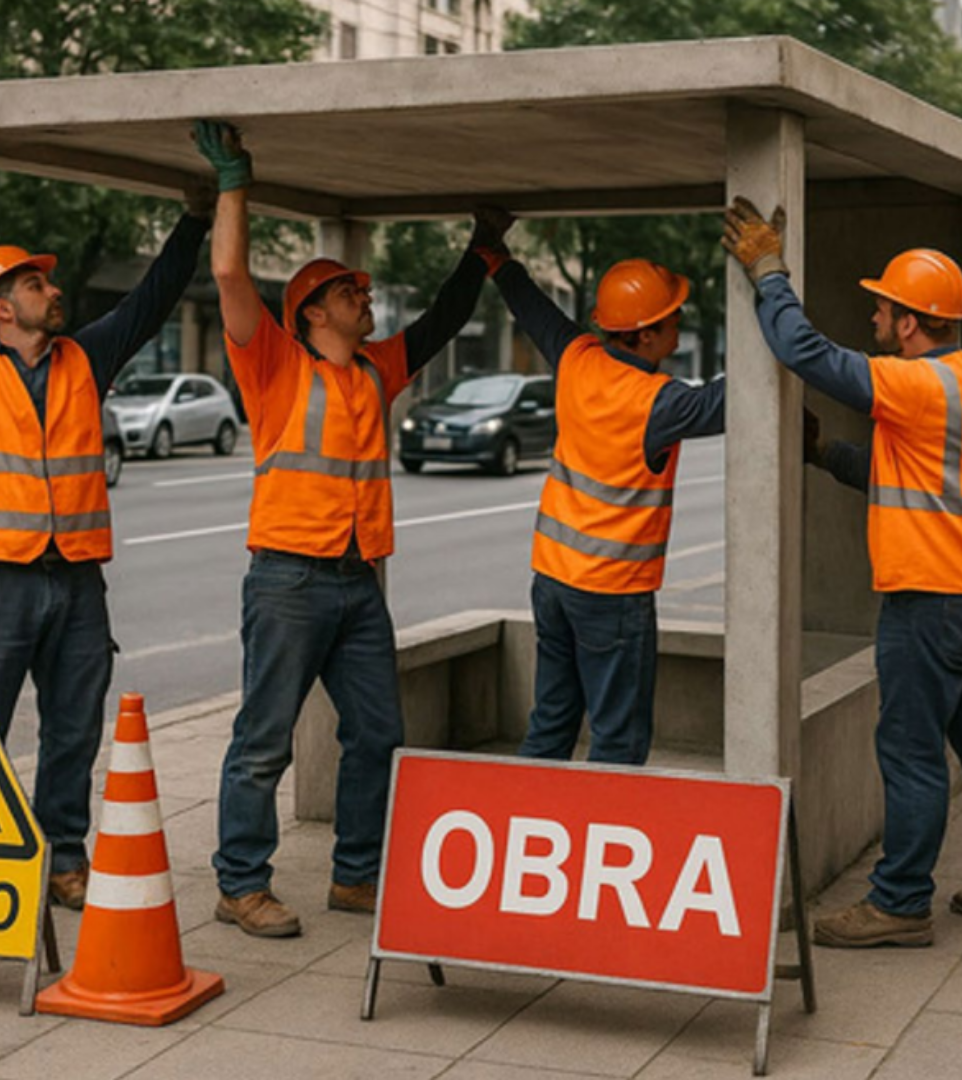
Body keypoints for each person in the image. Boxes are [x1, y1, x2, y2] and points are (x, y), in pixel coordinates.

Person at [193, 119, 512, 938]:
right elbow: (228, 271)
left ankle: (357, 876)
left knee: (379, 732)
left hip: (355, 580)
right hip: (288, 578)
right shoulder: (270, 361)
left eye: (364, 293)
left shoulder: (375, 368)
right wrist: (235, 183)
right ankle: (240, 885)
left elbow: (441, 321)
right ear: (310, 313)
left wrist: (483, 250)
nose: (365, 301)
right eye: (350, 294)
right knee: (265, 741)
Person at [0, 143, 212, 909]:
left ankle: (63, 858)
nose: (52, 289)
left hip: (76, 580)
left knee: (73, 730)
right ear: (0, 307)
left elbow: (153, 299)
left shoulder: (84, 359)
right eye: (35, 283)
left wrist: (196, 219)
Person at [723, 196, 962, 948]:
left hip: (928, 599)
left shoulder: (917, 386)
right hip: (955, 596)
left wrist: (768, 269)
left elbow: (806, 353)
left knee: (911, 754)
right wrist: (826, 454)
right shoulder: (952, 385)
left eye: (884, 309)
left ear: (911, 323)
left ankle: (900, 904)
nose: (875, 318)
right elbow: (914, 478)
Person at [488, 227, 725, 765]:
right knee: (618, 740)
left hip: (552, 581)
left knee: (551, 722)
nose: (680, 325)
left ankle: (526, 812)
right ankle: (602, 819)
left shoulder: (578, 358)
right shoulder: (661, 403)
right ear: (644, 335)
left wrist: (497, 258)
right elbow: (742, 394)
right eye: (671, 318)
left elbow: (534, 310)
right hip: (612, 593)